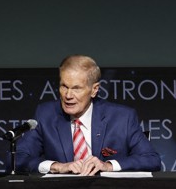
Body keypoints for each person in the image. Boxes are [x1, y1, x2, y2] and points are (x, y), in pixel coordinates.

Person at [16, 55, 160, 175]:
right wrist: (57, 166)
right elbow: (17, 159)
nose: (68, 95)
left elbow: (151, 159)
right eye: (64, 86)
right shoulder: (46, 114)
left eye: (76, 88)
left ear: (94, 90)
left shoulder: (122, 118)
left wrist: (108, 166)